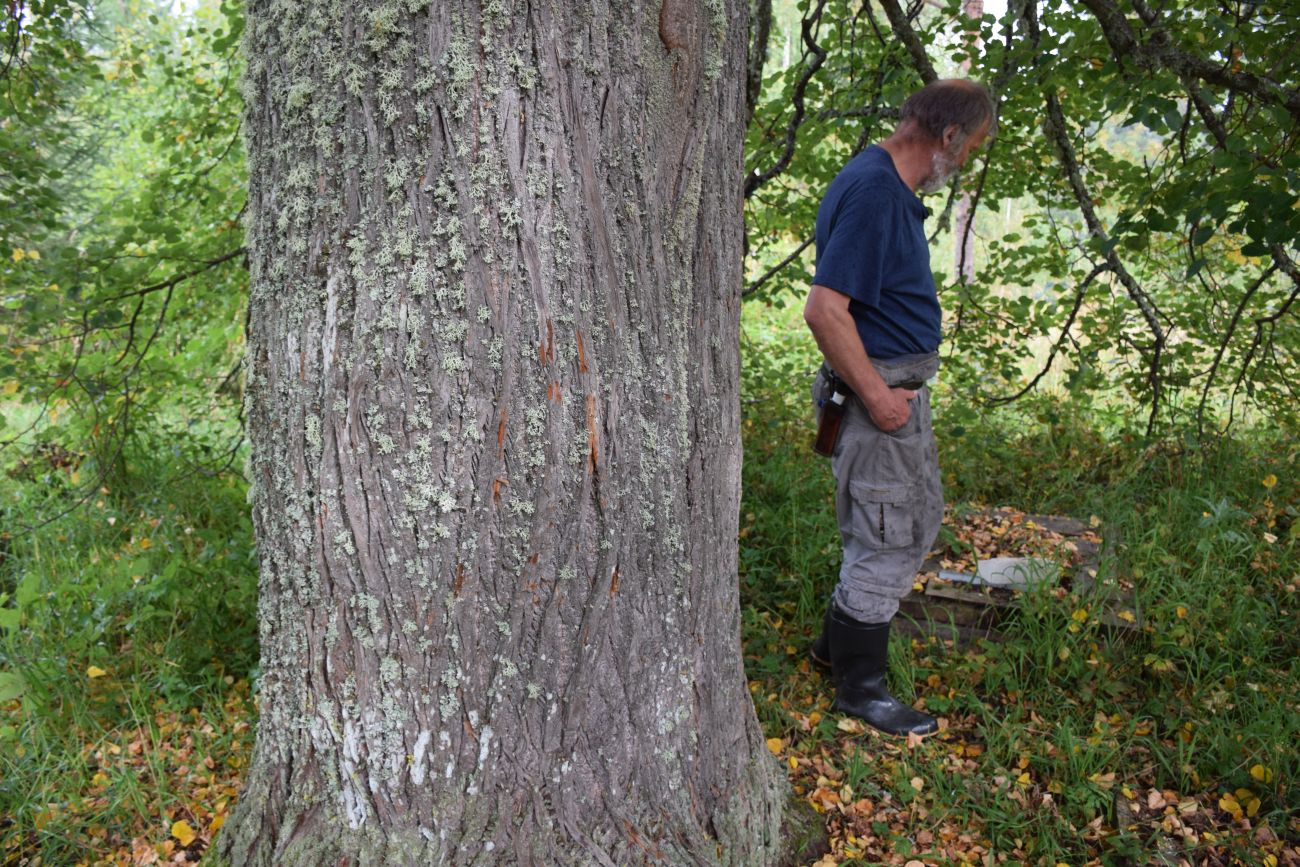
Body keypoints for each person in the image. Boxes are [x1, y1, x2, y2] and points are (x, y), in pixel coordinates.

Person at [804, 79, 994, 737]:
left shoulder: (875, 178)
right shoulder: (880, 193)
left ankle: (835, 646)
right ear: (946, 137)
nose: (963, 161)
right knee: (887, 532)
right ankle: (862, 688)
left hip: (889, 388)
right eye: (968, 147)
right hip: (878, 394)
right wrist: (880, 397)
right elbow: (825, 310)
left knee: (899, 518)